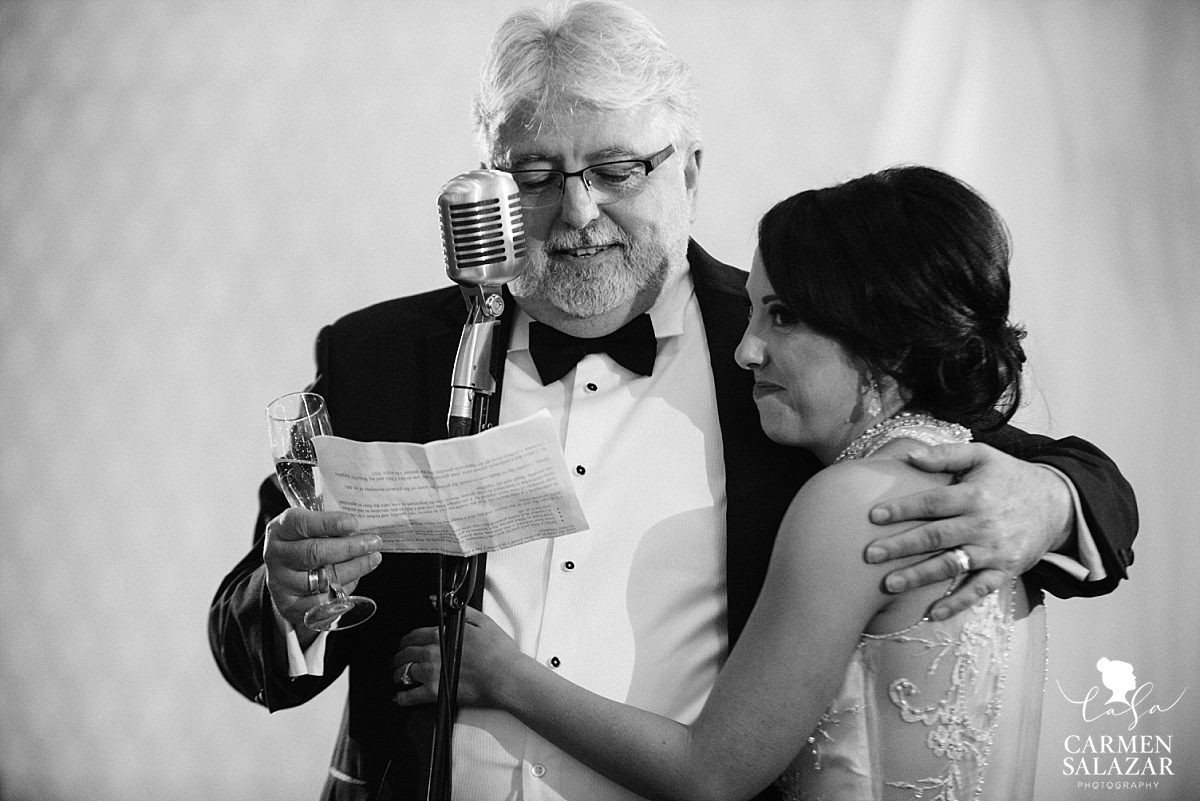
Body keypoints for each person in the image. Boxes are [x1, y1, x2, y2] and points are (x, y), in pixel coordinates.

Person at [209, 2, 1136, 799]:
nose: (575, 213)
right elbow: (247, 632)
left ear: (688, 172)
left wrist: (1050, 498)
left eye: (616, 170)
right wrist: (287, 600)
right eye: (535, 174)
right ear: (488, 184)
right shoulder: (381, 358)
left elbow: (1051, 465)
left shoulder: (789, 352)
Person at [394, 165, 1060, 800]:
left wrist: (505, 675)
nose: (748, 349)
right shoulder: (990, 490)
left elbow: (709, 775)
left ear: (881, 333)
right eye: (751, 313)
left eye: (783, 316)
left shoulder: (854, 504)